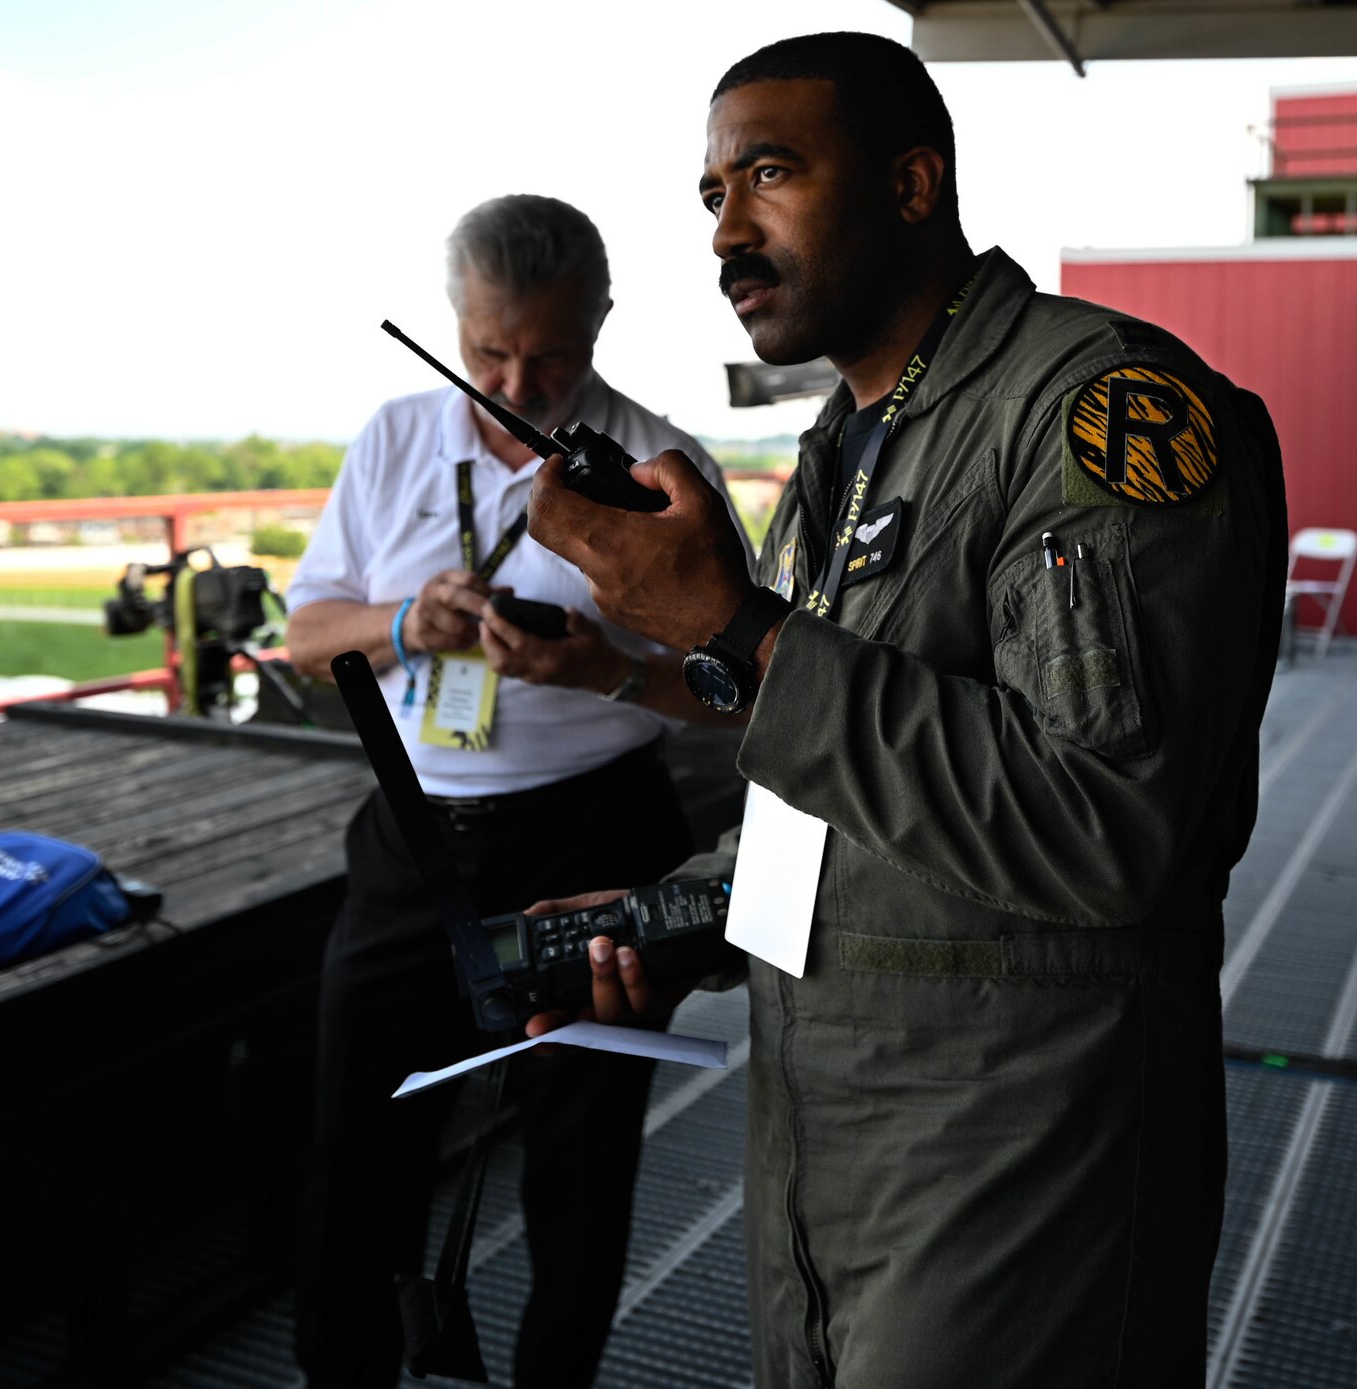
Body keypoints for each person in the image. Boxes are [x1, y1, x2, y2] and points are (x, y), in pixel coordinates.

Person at [523, 33, 1286, 1389]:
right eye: (710, 194)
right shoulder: (844, 451)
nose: (729, 234)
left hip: (1022, 1156)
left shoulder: (1093, 412)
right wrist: (685, 915)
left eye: (770, 172)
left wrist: (734, 626)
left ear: (914, 184)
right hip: (822, 1142)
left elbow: (1100, 828)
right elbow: (847, 784)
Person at [282, 192, 749, 1389]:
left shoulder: (659, 468)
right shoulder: (392, 438)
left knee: (579, 1168)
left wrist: (606, 667)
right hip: (412, 840)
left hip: (593, 830)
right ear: (451, 322)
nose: (517, 378)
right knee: (350, 1153)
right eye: (487, 350)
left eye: (551, 353)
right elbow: (305, 635)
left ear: (600, 320)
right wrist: (401, 621)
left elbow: (743, 689)